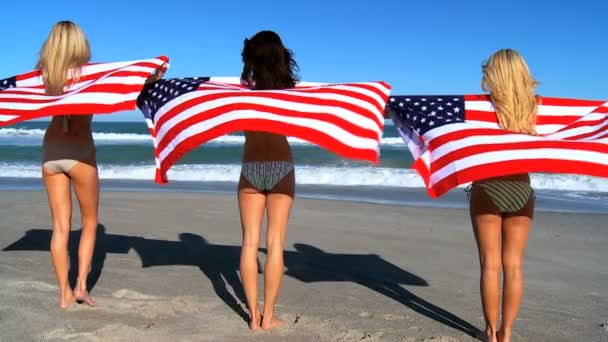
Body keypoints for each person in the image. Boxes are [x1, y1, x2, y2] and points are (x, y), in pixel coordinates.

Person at [468, 49, 538, 342]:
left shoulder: (480, 106)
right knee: (514, 265)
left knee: (490, 264)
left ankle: (490, 333)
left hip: (487, 186)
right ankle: (507, 334)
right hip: (521, 188)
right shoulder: (537, 108)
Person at [238, 30, 298, 331]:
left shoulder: (239, 91)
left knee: (250, 244)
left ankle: (252, 315)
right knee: (275, 245)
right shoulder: (291, 90)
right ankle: (269, 315)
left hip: (251, 165)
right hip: (281, 166)